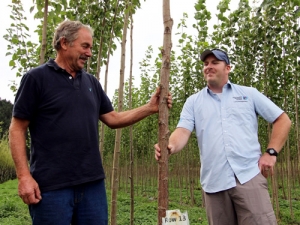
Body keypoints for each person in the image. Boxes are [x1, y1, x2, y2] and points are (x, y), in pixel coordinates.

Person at [9, 20, 172, 225]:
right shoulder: (36, 78)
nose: (90, 53)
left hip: (92, 185)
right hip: (51, 188)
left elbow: (113, 119)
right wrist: (24, 177)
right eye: (85, 46)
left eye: (91, 47)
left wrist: (149, 108)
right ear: (64, 43)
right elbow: (17, 128)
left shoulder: (91, 82)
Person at [155, 49, 291, 225]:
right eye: (205, 64)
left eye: (214, 63)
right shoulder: (194, 101)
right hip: (214, 182)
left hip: (248, 175)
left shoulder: (248, 94)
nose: (208, 67)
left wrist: (271, 152)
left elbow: (282, 119)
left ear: (228, 68)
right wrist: (170, 146)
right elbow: (183, 130)